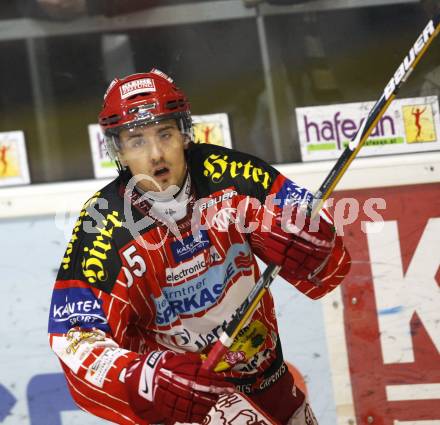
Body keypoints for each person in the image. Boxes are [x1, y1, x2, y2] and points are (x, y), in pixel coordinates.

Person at [48, 68, 351, 425]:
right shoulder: (101, 225)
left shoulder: (232, 173)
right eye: (137, 140)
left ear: (184, 133)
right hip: (184, 404)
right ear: (120, 151)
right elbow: (74, 337)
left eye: (165, 133)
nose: (156, 153)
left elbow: (327, 264)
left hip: (269, 381)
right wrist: (145, 377)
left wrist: (315, 244)